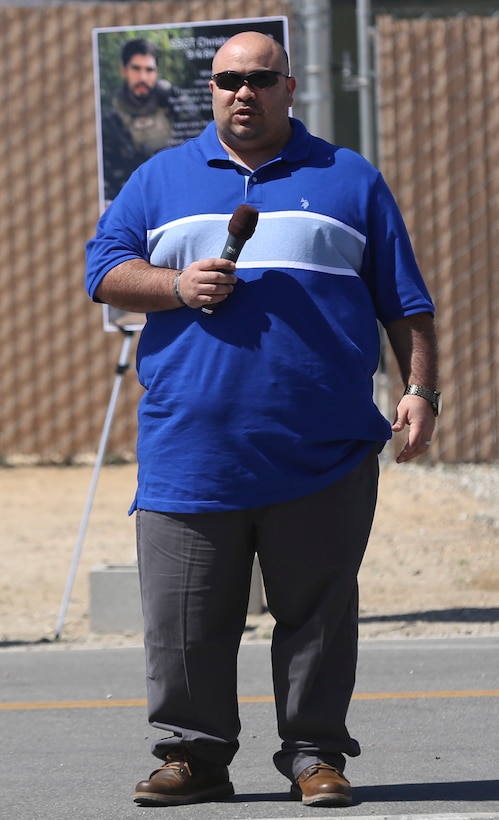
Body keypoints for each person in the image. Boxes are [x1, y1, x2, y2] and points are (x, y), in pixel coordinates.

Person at [86, 31, 440, 809]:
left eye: (259, 79)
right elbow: (106, 272)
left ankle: (314, 755)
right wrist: (177, 286)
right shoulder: (158, 179)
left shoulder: (349, 179)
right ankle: (193, 757)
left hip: (322, 449)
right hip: (191, 448)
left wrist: (420, 391)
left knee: (316, 617)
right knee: (184, 623)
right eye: (227, 80)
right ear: (210, 89)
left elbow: (405, 303)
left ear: (288, 88)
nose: (241, 92)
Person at [101, 38, 180, 201]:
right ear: (124, 70)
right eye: (136, 69)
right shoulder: (110, 118)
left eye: (149, 70)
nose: (143, 77)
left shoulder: (173, 102)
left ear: (156, 72)